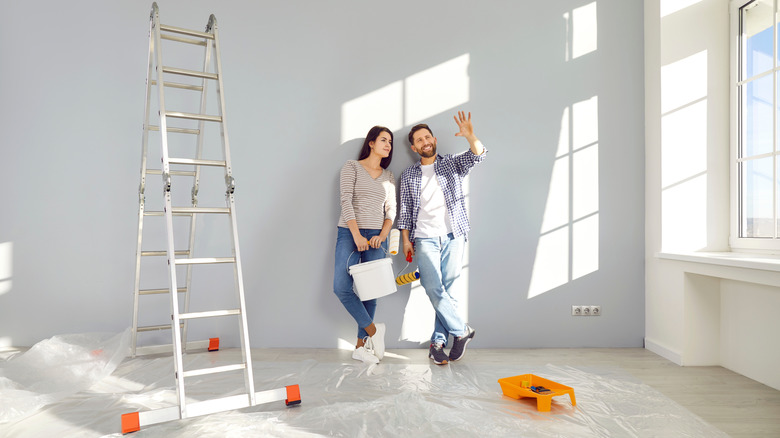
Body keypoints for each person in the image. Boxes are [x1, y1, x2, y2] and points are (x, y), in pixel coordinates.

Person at [398, 111, 486, 365]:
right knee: (432, 286)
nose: (425, 142)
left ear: (434, 140)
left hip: (454, 235)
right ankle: (461, 331)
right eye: (419, 140)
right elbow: (405, 211)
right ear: (414, 148)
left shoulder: (452, 163)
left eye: (428, 137)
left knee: (450, 290)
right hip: (424, 237)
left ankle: (437, 343)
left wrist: (470, 136)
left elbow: (478, 155)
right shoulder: (409, 175)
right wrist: (406, 240)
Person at [334, 126, 396, 364]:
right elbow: (345, 201)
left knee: (371, 292)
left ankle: (361, 347)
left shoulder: (388, 176)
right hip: (349, 233)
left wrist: (382, 235)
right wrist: (357, 234)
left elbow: (391, 210)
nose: (388, 145)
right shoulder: (351, 167)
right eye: (383, 140)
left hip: (377, 237)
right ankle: (374, 331)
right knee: (341, 287)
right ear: (371, 143)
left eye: (390, 141)